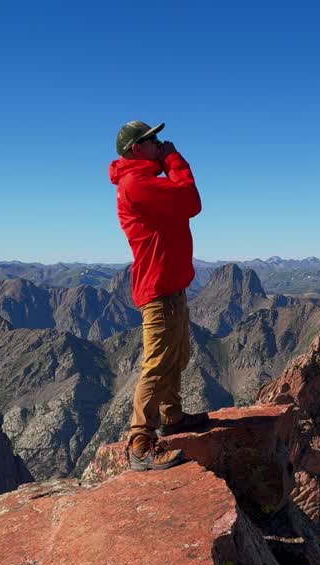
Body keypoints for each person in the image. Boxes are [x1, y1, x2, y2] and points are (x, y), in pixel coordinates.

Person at [108, 120, 210, 470]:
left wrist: (165, 163)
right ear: (137, 149)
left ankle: (173, 416)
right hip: (159, 290)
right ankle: (141, 442)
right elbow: (191, 200)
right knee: (157, 364)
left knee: (177, 355)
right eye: (152, 140)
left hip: (171, 286)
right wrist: (174, 159)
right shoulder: (136, 184)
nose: (160, 142)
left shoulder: (144, 181)